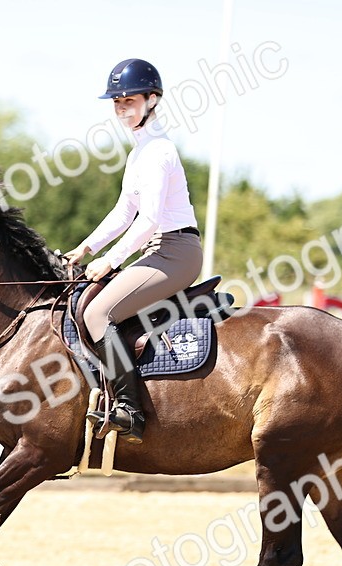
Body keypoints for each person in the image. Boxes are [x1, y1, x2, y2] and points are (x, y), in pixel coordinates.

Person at [63, 58, 203, 445]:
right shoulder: (138, 152)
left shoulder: (159, 152)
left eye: (129, 99)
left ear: (152, 99)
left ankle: (130, 410)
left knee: (97, 312)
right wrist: (85, 248)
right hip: (157, 250)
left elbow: (150, 219)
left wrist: (110, 260)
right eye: (116, 101)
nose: (122, 107)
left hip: (176, 250)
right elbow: (124, 211)